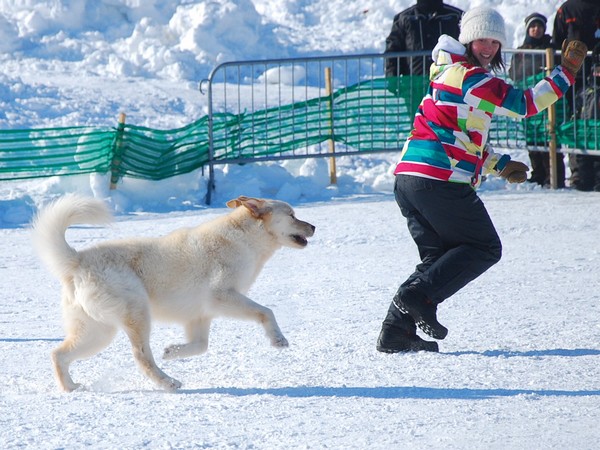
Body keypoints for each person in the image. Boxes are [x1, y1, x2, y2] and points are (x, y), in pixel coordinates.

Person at [376, 6, 587, 353]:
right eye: (481, 40)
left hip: (410, 179)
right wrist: (566, 72)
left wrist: (499, 165)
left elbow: (459, 137)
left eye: (494, 41)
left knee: (438, 260)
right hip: (438, 178)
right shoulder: (471, 76)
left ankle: (395, 331)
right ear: (467, 40)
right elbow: (527, 103)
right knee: (483, 247)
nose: (488, 48)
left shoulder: (447, 72)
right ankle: (418, 297)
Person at [510, 13, 566, 188]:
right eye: (533, 26)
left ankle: (554, 176)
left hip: (549, 102)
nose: (536, 29)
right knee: (532, 139)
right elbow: (513, 73)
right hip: (529, 101)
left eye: (540, 26)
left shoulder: (551, 48)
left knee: (550, 137)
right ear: (528, 29)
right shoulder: (521, 51)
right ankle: (538, 174)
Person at [384, 0, 463, 117]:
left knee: (451, 125)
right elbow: (393, 50)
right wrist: (392, 78)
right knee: (419, 125)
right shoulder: (404, 18)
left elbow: (470, 46)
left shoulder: (455, 16)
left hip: (450, 85)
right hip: (415, 87)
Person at [552, 0, 600, 191]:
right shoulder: (567, 8)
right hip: (573, 76)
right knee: (576, 124)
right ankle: (580, 173)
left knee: (595, 123)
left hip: (596, 74)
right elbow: (556, 42)